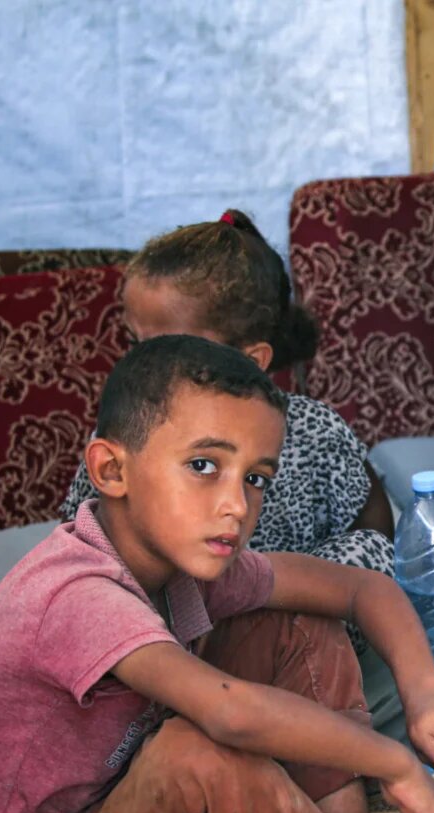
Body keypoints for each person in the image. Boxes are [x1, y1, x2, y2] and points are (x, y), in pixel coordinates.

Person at [0, 337, 434, 813]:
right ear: (111, 472)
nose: (237, 505)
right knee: (196, 755)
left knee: (294, 621)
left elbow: (361, 589)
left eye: (255, 478)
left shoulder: (183, 562)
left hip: (120, 800)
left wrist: (427, 696)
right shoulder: (75, 591)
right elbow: (232, 714)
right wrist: (396, 762)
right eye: (203, 464)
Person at [61, 210, 395, 606]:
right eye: (137, 344)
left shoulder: (313, 428)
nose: (144, 364)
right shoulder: (130, 430)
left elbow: (375, 529)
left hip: (294, 618)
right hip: (173, 628)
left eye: (173, 349)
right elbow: (81, 543)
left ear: (252, 360)